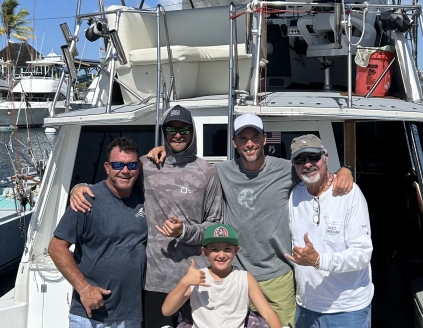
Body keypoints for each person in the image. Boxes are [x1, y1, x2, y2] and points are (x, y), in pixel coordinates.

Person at [147, 113, 354, 327]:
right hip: (235, 275)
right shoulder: (221, 171)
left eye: (255, 137)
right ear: (234, 142)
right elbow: (190, 168)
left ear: (264, 139)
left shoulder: (287, 169)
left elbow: (316, 170)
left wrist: (345, 170)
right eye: (243, 138)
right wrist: (167, 151)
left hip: (277, 276)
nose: (249, 144)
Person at [69, 105, 223, 328]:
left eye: (183, 129)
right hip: (154, 282)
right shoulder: (147, 165)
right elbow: (117, 179)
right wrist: (80, 187)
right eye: (170, 129)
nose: (177, 135)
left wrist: (185, 231)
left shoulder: (208, 171)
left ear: (193, 131)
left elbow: (216, 225)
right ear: (163, 132)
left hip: (196, 278)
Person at [48, 137, 147, 328]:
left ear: (139, 167)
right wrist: (84, 289)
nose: (125, 171)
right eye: (118, 165)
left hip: (131, 316)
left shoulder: (144, 197)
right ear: (107, 167)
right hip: (91, 317)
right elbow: (56, 247)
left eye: (132, 165)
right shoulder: (87, 200)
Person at [284, 134, 373, 328]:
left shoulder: (350, 193)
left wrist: (318, 260)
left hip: (347, 309)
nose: (307, 164)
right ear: (294, 165)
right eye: (300, 160)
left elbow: (362, 254)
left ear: (325, 157)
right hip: (306, 306)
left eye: (313, 157)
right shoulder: (294, 195)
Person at [162, 223, 282, 328]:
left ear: (236, 250)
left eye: (227, 249)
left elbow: (268, 313)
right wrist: (185, 282)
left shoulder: (245, 278)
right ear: (205, 252)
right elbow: (167, 311)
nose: (221, 255)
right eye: (215, 249)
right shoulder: (197, 278)